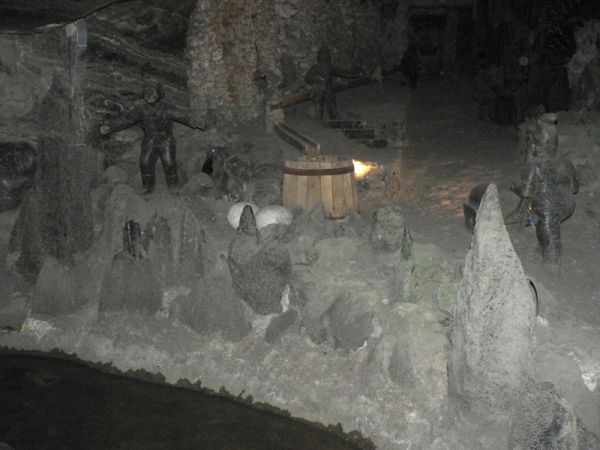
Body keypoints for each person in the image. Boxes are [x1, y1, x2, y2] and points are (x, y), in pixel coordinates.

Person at [100, 80, 204, 193]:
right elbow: (127, 119)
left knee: (169, 163)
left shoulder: (167, 108)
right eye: (147, 92)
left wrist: (196, 122)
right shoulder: (141, 109)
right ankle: (147, 188)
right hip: (150, 140)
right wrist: (110, 126)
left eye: (153, 92)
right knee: (145, 163)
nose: (149, 95)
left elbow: (182, 116)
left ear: (159, 93)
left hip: (166, 140)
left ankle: (173, 187)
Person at [511, 113, 579, 270]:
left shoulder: (534, 164)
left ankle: (552, 262)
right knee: (538, 207)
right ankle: (538, 236)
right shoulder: (565, 163)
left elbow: (526, 191)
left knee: (545, 223)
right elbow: (574, 188)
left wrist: (514, 186)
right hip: (568, 205)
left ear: (538, 141)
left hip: (548, 210)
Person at [305, 45, 362, 120]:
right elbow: (307, 77)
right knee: (319, 105)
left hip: (328, 90)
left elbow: (344, 73)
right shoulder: (316, 67)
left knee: (330, 105)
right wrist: (318, 79)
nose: (324, 58)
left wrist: (355, 73)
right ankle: (320, 118)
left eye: (326, 55)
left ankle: (332, 117)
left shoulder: (329, 67)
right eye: (323, 56)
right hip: (319, 90)